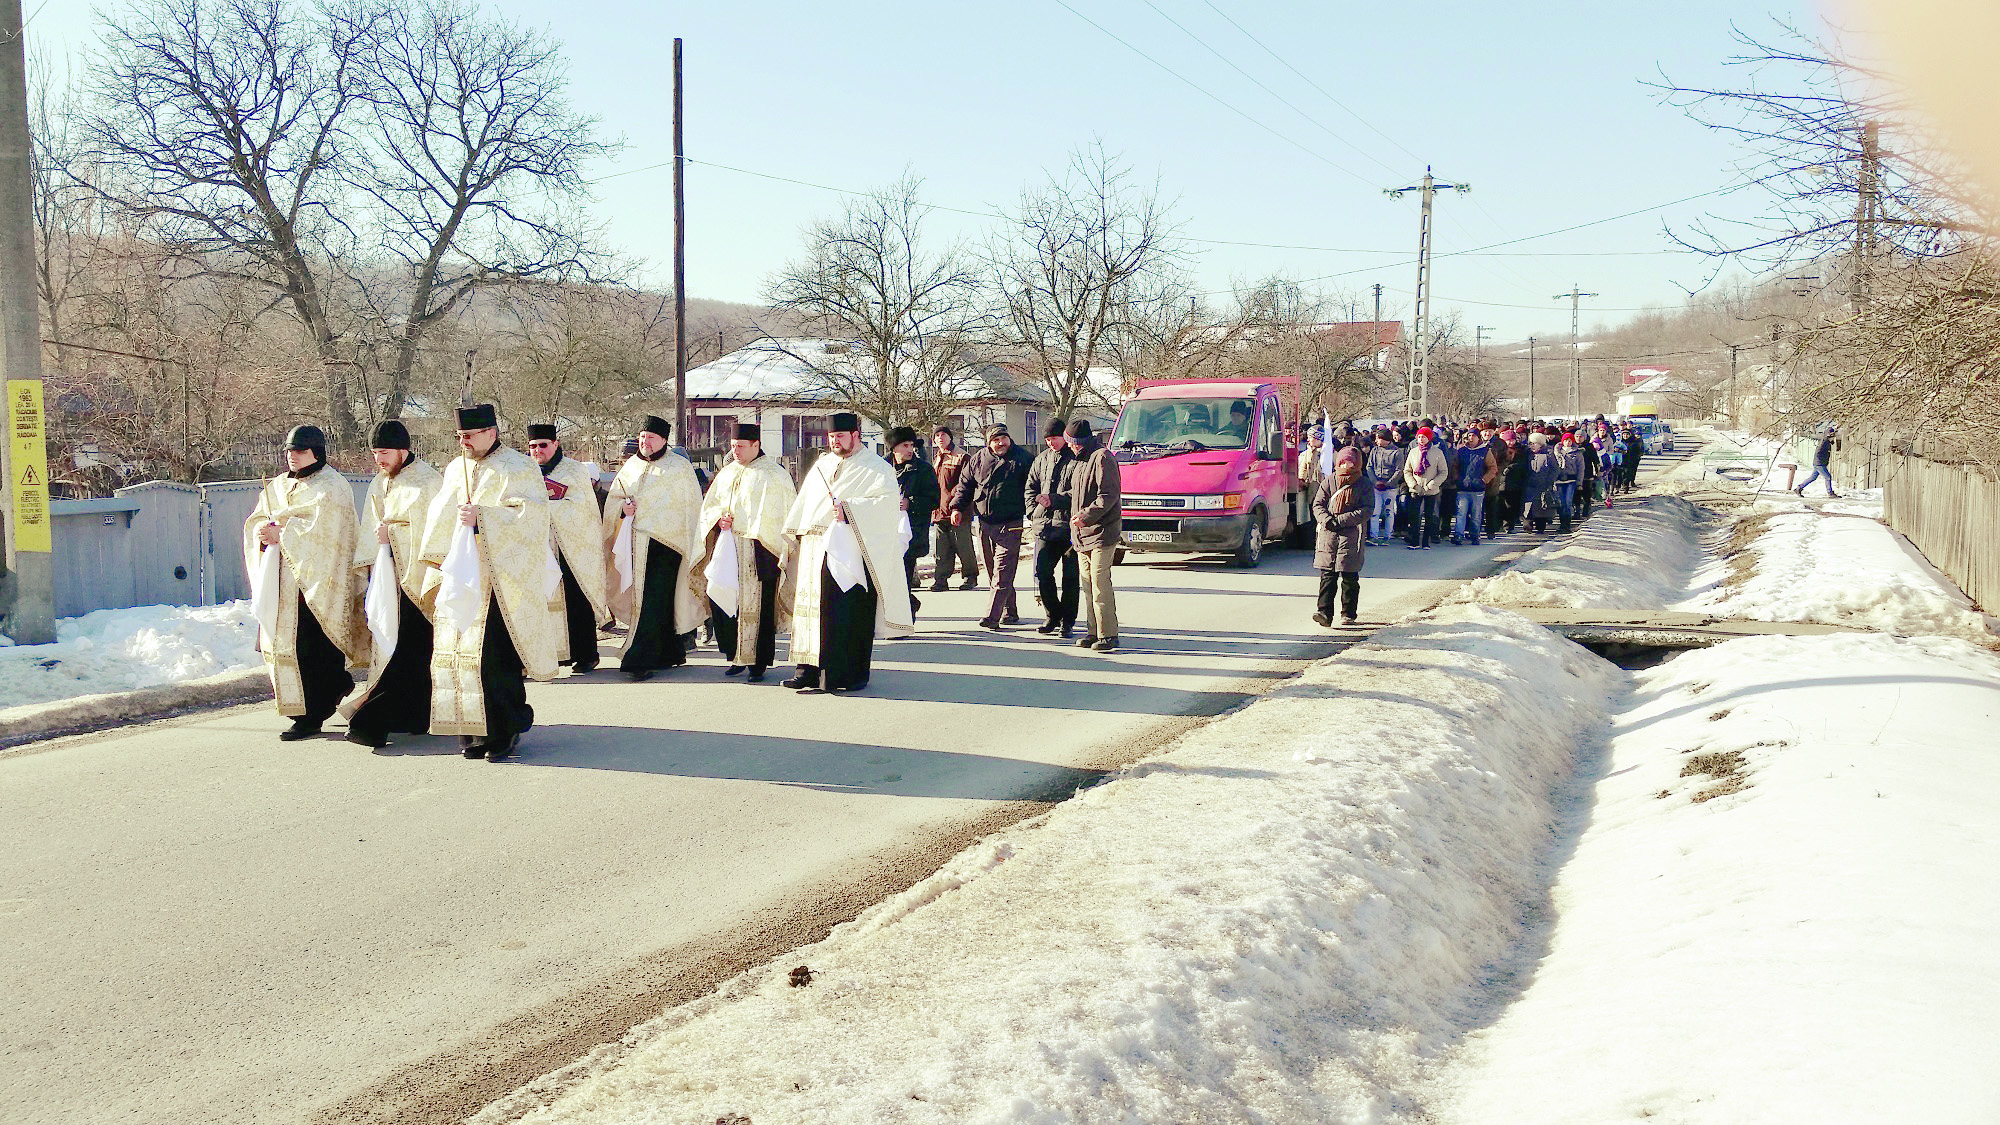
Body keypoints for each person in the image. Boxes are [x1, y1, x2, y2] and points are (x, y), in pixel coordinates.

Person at [419, 404, 558, 760]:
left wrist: (485, 518)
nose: (462, 442)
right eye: (459, 436)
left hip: (501, 579)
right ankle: (471, 735)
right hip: (462, 576)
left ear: (491, 433)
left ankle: (504, 730)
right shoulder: (455, 468)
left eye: (469, 435)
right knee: (458, 657)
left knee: (493, 658)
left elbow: (532, 516)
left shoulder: (519, 467)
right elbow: (439, 513)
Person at [244, 424, 370, 741]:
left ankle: (312, 715)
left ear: (316, 452)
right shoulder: (276, 486)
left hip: (319, 585)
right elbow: (258, 519)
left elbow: (327, 535)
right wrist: (262, 534)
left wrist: (282, 533)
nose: (292, 456)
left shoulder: (332, 486)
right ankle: (306, 705)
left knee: (316, 649)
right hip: (283, 586)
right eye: (288, 451)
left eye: (299, 451)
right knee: (291, 648)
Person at [781, 411, 913, 692]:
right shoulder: (821, 466)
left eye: (840, 435)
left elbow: (886, 507)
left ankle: (846, 675)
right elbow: (805, 504)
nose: (835, 441)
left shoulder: (876, 467)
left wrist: (850, 510)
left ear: (856, 435)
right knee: (811, 612)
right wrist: (796, 535)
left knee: (844, 613)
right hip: (815, 549)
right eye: (831, 436)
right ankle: (807, 671)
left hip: (853, 550)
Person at [344, 420, 441, 747]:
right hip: (388, 581)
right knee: (401, 650)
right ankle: (413, 716)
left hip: (418, 580)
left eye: (383, 452)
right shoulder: (378, 483)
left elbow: (434, 532)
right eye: (374, 453)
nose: (378, 459)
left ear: (403, 449)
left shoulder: (428, 483)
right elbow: (371, 527)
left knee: (410, 651)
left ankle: (370, 721)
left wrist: (393, 535)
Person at [689, 423, 797, 682]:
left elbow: (782, 512)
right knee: (725, 599)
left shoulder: (774, 474)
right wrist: (719, 521)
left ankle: (758, 663)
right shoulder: (726, 473)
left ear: (756, 445)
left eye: (740, 446)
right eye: (733, 446)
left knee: (759, 608)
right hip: (728, 547)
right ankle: (734, 655)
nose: (735, 450)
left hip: (761, 551)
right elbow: (710, 507)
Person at [602, 416, 703, 681]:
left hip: (667, 546)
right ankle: (667, 652)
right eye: (643, 437)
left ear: (664, 440)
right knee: (645, 601)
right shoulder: (631, 466)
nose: (645, 442)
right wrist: (623, 509)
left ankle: (639, 659)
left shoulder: (679, 468)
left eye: (651, 438)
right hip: (635, 543)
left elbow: (691, 508)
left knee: (657, 601)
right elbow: (615, 500)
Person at [527, 423, 611, 675]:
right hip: (538, 546)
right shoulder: (524, 472)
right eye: (532, 446)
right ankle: (550, 656)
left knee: (576, 600)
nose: (537, 450)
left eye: (543, 445)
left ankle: (586, 655)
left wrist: (545, 508)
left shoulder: (574, 471)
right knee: (540, 602)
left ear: (555, 444)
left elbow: (582, 509)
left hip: (571, 548)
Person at [953, 422, 1035, 630]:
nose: (1000, 443)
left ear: (1009, 438)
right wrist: (957, 508)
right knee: (993, 571)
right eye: (995, 440)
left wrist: (1034, 513)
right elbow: (965, 486)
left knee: (1002, 570)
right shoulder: (977, 459)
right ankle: (1010, 610)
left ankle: (992, 616)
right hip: (984, 522)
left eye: (1003, 439)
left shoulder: (1023, 459)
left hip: (1011, 522)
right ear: (988, 443)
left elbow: (1033, 488)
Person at [1066, 419, 1122, 652]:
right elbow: (1077, 493)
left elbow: (1108, 495)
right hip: (1082, 533)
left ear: (1078, 442)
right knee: (1087, 585)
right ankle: (1093, 631)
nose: (1068, 446)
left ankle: (1108, 634)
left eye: (1070, 442)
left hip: (1102, 532)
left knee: (1100, 583)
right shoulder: (1080, 461)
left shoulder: (1102, 457)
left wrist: (1086, 516)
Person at [1026, 419, 1079, 636]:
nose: (1051, 443)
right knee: (1042, 573)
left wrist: (1054, 500)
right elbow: (1030, 486)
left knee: (1070, 577)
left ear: (1064, 437)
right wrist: (1032, 511)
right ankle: (1052, 615)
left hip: (1069, 526)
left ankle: (1067, 621)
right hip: (1044, 525)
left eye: (1054, 438)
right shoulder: (1041, 459)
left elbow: (1079, 492)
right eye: (1047, 439)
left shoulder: (1077, 459)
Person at [1312, 446, 1368, 627]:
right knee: (1327, 575)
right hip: (1328, 534)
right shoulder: (1329, 481)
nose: (1346, 465)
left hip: (1351, 535)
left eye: (1350, 462)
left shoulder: (1363, 484)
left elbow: (1366, 510)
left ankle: (1348, 613)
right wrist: (1327, 520)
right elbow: (1318, 505)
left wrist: (1341, 520)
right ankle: (1324, 613)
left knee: (1349, 576)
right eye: (1342, 461)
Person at [887, 426, 939, 619]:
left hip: (912, 532)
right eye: (905, 445)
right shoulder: (882, 467)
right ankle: (909, 603)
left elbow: (934, 499)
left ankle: (904, 617)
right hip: (886, 531)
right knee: (889, 577)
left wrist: (911, 502)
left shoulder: (923, 469)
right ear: (894, 448)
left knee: (904, 576)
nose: (910, 449)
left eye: (911, 445)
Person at [928, 427, 978, 591]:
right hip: (939, 510)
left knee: (963, 545)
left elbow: (965, 484)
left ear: (950, 437)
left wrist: (956, 505)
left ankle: (970, 577)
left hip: (958, 510)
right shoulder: (936, 457)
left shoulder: (962, 457)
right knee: (941, 548)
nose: (940, 438)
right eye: (937, 435)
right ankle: (941, 580)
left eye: (943, 435)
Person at [1401, 427, 1447, 550]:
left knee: (1429, 516)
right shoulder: (1413, 452)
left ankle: (1426, 541)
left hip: (1431, 489)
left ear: (1429, 438)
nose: (1421, 439)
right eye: (1419, 437)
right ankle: (1415, 541)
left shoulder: (1437, 453)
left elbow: (1443, 472)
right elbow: (1407, 471)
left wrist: (1433, 484)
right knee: (1415, 516)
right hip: (1416, 489)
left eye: (1424, 437)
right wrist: (1413, 484)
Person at [1451, 428, 1496, 546]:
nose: (1471, 438)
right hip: (1463, 488)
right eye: (1469, 436)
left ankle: (1475, 535)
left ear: (1478, 438)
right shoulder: (1461, 451)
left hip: (1478, 488)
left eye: (1473, 436)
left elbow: (1493, 468)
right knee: (1461, 513)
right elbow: (1455, 466)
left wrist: (1484, 480)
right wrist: (1457, 478)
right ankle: (1458, 535)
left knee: (1476, 513)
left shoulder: (1485, 451)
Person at [1365, 429, 1403, 544]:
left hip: (1390, 488)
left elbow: (1398, 470)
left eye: (1378, 438)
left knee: (1388, 511)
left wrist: (1389, 483)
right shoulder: (1374, 450)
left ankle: (1388, 535)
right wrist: (1374, 481)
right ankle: (1374, 536)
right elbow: (1369, 467)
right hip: (1376, 486)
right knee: (1375, 512)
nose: (1376, 441)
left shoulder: (1396, 452)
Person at [1522, 432, 1562, 534]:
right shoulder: (1526, 454)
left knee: (1542, 508)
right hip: (1529, 485)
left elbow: (1555, 469)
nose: (1532, 446)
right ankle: (1528, 525)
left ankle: (1540, 527)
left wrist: (1549, 481)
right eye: (1530, 443)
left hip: (1543, 486)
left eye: (1534, 443)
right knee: (1528, 507)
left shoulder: (1548, 454)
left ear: (1540, 444)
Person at [1793, 424, 1841, 497]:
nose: (1833, 438)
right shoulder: (1824, 442)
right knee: (1828, 477)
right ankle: (1830, 492)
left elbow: (1830, 433)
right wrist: (1822, 462)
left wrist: (1836, 428)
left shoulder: (1825, 440)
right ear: (1829, 436)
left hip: (1818, 463)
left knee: (1813, 478)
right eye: (1833, 436)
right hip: (1820, 463)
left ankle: (1799, 488)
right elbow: (1820, 452)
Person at [1553, 431, 1585, 533]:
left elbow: (1581, 468)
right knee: (1561, 503)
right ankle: (1561, 524)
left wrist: (1579, 482)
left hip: (1571, 480)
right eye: (1566, 440)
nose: (1568, 443)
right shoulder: (1556, 452)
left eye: (1570, 441)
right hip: (1559, 480)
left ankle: (1566, 525)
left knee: (1568, 502)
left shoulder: (1577, 453)